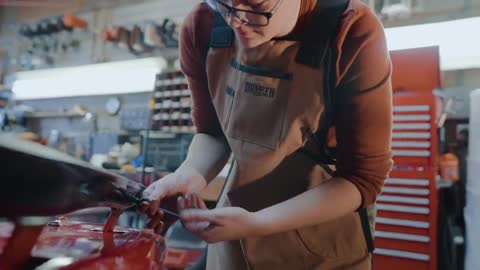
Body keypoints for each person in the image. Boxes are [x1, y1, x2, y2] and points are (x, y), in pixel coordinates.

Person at [139, 0, 393, 269]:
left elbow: (361, 178)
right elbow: (213, 133)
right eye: (223, 3)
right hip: (234, 242)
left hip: (319, 251)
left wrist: (258, 222)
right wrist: (188, 175)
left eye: (255, 5)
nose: (235, 21)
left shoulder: (351, 31)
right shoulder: (204, 24)